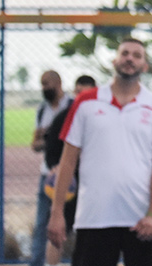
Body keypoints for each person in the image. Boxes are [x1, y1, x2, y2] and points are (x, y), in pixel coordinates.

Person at [47, 38, 152, 266]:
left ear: (145, 66)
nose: (130, 59)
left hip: (142, 221)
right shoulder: (85, 102)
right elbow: (67, 162)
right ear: (114, 60)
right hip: (94, 219)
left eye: (137, 55)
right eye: (125, 53)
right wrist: (57, 213)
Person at [42, 74, 97, 266]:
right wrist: (54, 167)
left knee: (91, 235)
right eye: (80, 92)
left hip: (92, 186)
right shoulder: (64, 117)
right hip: (68, 185)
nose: (83, 96)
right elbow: (51, 149)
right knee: (57, 232)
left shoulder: (101, 118)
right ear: (75, 92)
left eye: (87, 93)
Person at [30, 70, 72, 266]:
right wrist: (49, 138)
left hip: (71, 176)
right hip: (48, 175)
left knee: (72, 223)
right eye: (42, 84)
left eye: (46, 84)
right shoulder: (42, 110)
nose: (44, 88)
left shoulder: (73, 106)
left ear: (58, 83)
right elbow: (35, 143)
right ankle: (38, 262)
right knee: (42, 224)